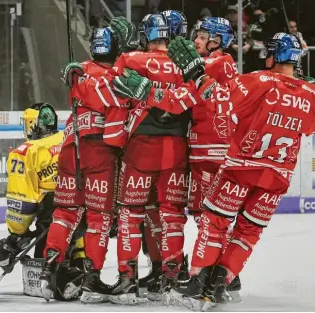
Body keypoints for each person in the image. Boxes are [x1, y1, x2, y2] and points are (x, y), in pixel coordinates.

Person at [160, 32, 311, 310]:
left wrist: (196, 72)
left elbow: (219, 98)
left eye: (268, 50)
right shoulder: (310, 93)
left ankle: (197, 283)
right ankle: (219, 283)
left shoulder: (259, 80)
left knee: (214, 223)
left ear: (276, 54)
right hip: (278, 176)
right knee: (248, 232)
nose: (263, 55)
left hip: (242, 167)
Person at [63, 12, 190, 304]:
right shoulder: (185, 65)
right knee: (171, 216)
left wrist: (77, 83)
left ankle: (128, 280)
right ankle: (171, 280)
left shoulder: (132, 60)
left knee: (130, 216)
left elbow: (110, 93)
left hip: (140, 149)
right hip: (178, 149)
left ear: (145, 36)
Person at [40, 26, 124, 304]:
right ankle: (91, 279)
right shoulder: (118, 74)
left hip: (69, 148)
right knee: (99, 218)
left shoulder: (78, 70)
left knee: (64, 212)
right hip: (99, 149)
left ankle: (48, 268)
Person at [0, 102, 86, 301]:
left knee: (49, 225)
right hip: (86, 210)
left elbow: (23, 204)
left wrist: (16, 237)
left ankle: (61, 276)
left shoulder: (26, 151)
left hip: (56, 219)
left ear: (35, 124)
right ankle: (80, 264)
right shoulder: (69, 137)